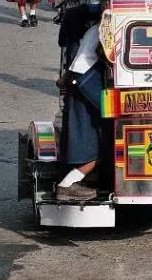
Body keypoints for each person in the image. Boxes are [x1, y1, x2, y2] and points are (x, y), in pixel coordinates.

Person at [56, 16, 103, 201]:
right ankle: (67, 185)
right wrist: (63, 81)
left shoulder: (102, 28)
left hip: (94, 97)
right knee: (96, 148)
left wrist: (62, 81)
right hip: (88, 98)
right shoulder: (99, 30)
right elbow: (79, 66)